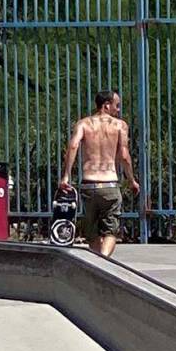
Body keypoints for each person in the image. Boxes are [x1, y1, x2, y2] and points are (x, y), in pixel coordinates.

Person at [59, 91, 140, 257]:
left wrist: (66, 176)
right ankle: (104, 260)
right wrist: (131, 180)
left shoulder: (83, 124)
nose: (118, 110)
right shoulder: (120, 126)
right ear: (106, 105)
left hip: (89, 184)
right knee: (111, 230)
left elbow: (73, 146)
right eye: (116, 105)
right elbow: (124, 155)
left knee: (92, 232)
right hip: (109, 184)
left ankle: (99, 261)